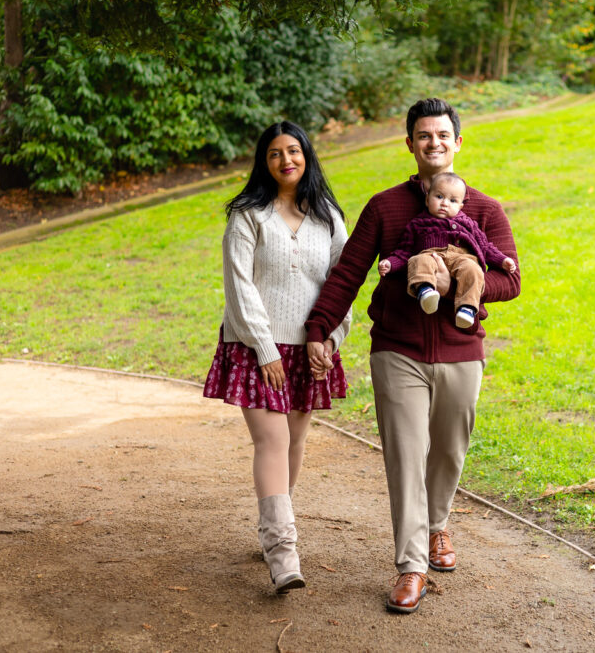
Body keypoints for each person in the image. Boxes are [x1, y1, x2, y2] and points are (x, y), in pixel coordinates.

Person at [305, 99, 520, 613]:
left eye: (443, 135)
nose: (434, 144)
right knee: (405, 455)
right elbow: (349, 273)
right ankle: (411, 564)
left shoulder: (484, 209)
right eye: (424, 136)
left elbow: (510, 279)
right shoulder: (385, 207)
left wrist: (453, 286)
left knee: (448, 450)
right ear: (410, 144)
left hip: (461, 352)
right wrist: (320, 328)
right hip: (397, 351)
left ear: (458, 142)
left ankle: (438, 525)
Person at [202, 120, 351, 594]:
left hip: (309, 347)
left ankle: (270, 531)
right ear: (263, 163)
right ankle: (283, 553)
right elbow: (238, 285)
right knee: (271, 441)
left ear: (306, 155)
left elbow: (342, 283)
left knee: (294, 443)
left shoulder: (327, 215)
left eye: (293, 151)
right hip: (254, 346)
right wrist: (264, 348)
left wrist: (330, 338)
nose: (286, 160)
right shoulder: (248, 215)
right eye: (274, 154)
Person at [377, 171, 517, 329]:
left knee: (473, 270)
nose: (444, 203)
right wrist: (390, 263)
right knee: (417, 261)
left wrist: (502, 260)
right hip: (430, 255)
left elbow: (484, 246)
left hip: (462, 258)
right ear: (427, 198)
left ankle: (467, 308)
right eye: (439, 197)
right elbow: (404, 252)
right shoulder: (417, 224)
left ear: (460, 206)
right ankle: (425, 291)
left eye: (452, 200)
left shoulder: (468, 223)